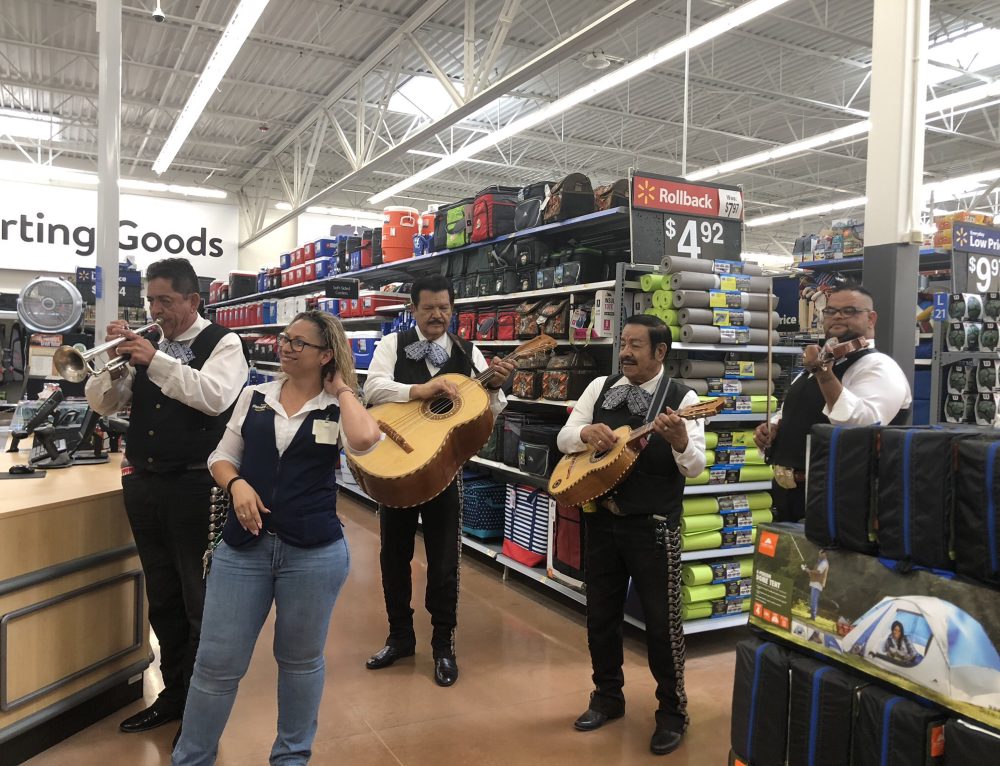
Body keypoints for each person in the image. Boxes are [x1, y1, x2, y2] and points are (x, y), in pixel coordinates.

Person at [172, 311, 381, 765]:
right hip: (243, 549)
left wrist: (342, 387)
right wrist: (236, 484)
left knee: (301, 663)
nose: (285, 347)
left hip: (314, 552)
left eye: (298, 343)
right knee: (215, 665)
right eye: (285, 339)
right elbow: (221, 457)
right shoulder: (255, 395)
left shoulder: (340, 407)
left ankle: (290, 758)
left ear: (326, 355)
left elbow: (366, 441)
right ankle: (191, 758)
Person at [85, 258, 248, 736]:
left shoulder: (225, 342)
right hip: (145, 483)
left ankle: (201, 710)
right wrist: (111, 367)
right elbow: (104, 404)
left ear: (193, 301)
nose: (156, 310)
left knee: (199, 600)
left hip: (197, 486)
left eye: (166, 301)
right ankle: (173, 694)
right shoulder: (149, 344)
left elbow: (214, 396)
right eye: (151, 301)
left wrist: (153, 359)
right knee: (162, 598)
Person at [556, 314, 706, 757]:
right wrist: (585, 432)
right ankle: (606, 696)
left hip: (654, 530)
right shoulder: (600, 387)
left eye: (636, 345)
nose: (625, 352)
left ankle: (672, 712)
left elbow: (695, 467)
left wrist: (680, 440)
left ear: (661, 353)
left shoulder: (683, 398)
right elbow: (566, 436)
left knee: (662, 625)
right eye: (623, 343)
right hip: (600, 521)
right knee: (600, 615)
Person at [363, 274, 515, 687]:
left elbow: (488, 412)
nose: (437, 315)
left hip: (446, 472)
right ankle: (400, 637)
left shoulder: (470, 353)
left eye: (444, 307)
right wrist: (420, 389)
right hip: (397, 466)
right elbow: (372, 388)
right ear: (412, 309)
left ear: (453, 309)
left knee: (445, 564)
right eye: (428, 307)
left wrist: (498, 389)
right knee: (392, 558)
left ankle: (443, 645)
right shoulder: (392, 346)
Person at [753, 284, 912, 522]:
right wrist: (774, 428)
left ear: (871, 318)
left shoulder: (879, 367)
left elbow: (861, 426)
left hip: (842, 498)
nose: (838, 316)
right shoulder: (821, 364)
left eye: (850, 311)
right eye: (830, 311)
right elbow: (793, 412)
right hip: (791, 493)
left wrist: (823, 373)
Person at [801, 550, 829, 621]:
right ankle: (812, 616)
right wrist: (807, 570)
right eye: (819, 554)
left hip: (818, 584)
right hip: (815, 583)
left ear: (824, 554)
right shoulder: (821, 562)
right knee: (813, 600)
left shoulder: (824, 563)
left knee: (814, 600)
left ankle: (813, 617)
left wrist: (809, 571)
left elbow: (818, 572)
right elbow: (815, 573)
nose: (819, 555)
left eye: (820, 554)